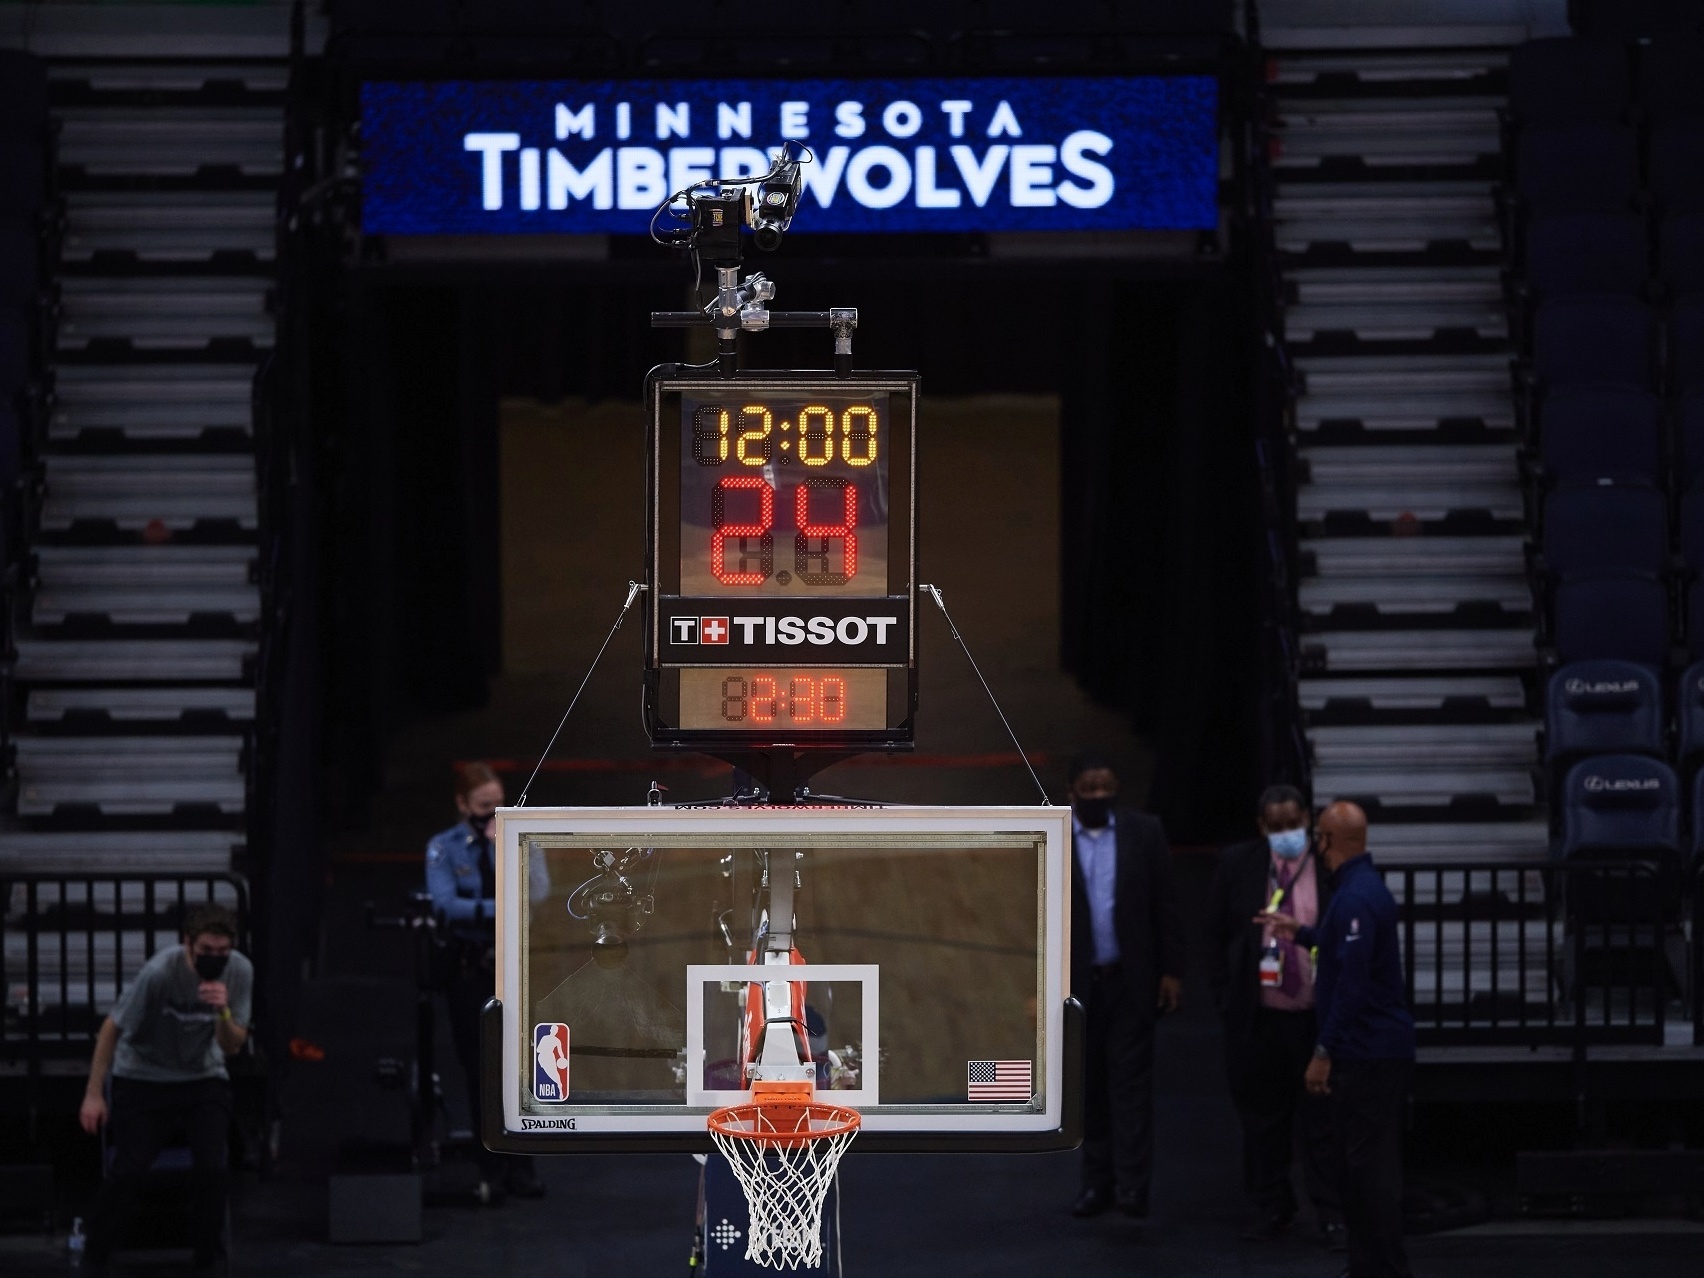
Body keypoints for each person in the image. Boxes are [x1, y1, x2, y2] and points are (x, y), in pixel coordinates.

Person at [1263, 801, 1416, 1278]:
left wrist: (1323, 1052)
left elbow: (1351, 985)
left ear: (1328, 841)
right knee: (1363, 1169)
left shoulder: (1353, 899)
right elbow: (1343, 951)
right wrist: (1303, 931)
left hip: (1368, 1053)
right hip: (1373, 1049)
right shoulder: (1360, 892)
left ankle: (1383, 1269)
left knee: (1368, 1172)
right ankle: (1369, 1266)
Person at [79, 901, 253, 1275]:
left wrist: (222, 1011)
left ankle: (206, 1258)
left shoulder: (238, 971)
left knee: (212, 1166)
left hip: (202, 1075)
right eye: (206, 951)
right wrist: (94, 1094)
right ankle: (95, 1254)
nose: (215, 958)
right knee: (129, 1169)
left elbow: (232, 1046)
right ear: (188, 944)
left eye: (222, 951)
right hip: (144, 1075)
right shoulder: (160, 972)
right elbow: (112, 1028)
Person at [1208, 784, 1344, 1247]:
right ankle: (1272, 1205)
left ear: (1307, 818)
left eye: (1294, 823)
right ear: (1262, 827)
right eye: (1277, 826)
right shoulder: (1238, 865)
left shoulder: (1329, 865)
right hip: (1259, 1019)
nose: (1287, 832)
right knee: (1263, 1122)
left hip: (1312, 1016)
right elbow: (1216, 934)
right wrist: (1227, 998)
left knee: (1321, 1120)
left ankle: (1331, 1209)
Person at [1066, 751, 1185, 1221]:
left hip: (1130, 981)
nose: (1099, 796)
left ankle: (1135, 1187)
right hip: (1079, 987)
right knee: (1089, 1090)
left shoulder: (1145, 832)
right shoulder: (1054, 836)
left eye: (1106, 788)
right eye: (1089, 789)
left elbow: (1166, 905)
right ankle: (1097, 1184)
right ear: (1071, 792)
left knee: (1132, 1090)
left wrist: (1171, 970)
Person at [426, 760, 549, 1204]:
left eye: (499, 804)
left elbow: (538, 893)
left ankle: (523, 1163)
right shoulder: (444, 847)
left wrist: (505, 853)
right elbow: (445, 905)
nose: (492, 812)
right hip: (469, 966)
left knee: (520, 1067)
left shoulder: (521, 838)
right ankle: (488, 1166)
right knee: (478, 1067)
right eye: (483, 806)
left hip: (514, 966)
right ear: (463, 805)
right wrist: (497, 909)